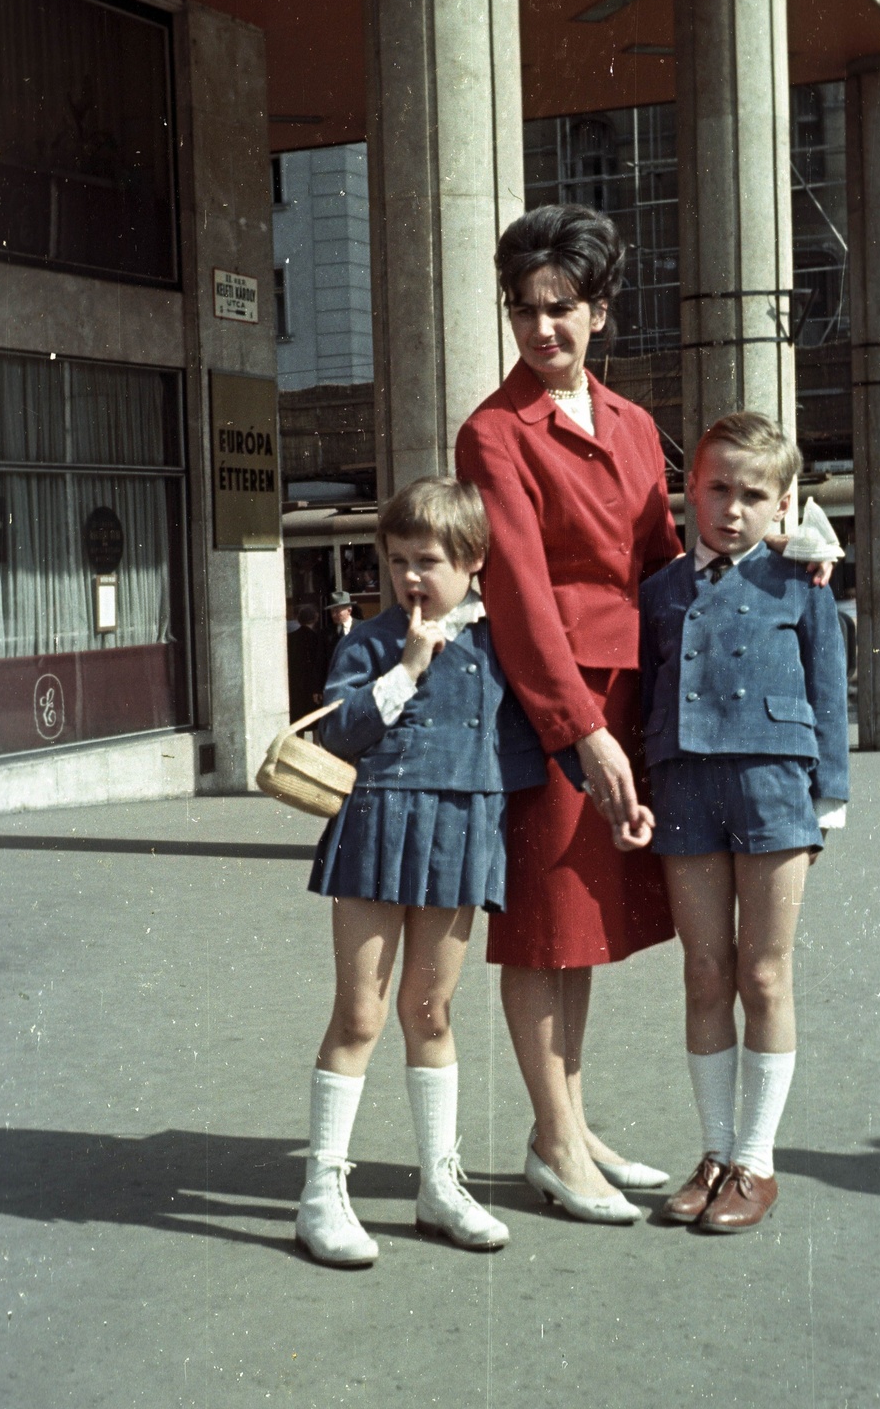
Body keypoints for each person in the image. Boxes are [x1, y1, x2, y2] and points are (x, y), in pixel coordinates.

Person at [455, 204, 684, 1225]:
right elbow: (517, 589)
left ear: (598, 311)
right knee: (543, 923)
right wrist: (577, 728)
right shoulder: (492, 432)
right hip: (547, 706)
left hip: (624, 695)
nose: (539, 330)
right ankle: (551, 1140)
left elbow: (661, 562)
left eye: (559, 309)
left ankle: (572, 1117)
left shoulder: (635, 426)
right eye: (521, 310)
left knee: (582, 925)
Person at [296, 476, 546, 1267]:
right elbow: (336, 735)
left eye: (428, 560)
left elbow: (533, 739)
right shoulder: (369, 642)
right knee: (361, 1016)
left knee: (431, 1011)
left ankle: (439, 1185)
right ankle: (320, 1193)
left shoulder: (495, 644)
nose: (410, 577)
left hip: (459, 834)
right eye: (397, 559)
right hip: (376, 832)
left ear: (473, 561)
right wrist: (404, 669)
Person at [641, 413, 849, 1231]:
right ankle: (716, 1150)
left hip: (773, 789)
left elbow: (828, 691)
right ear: (689, 490)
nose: (731, 509)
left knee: (764, 976)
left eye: (752, 495)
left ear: (783, 505)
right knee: (703, 972)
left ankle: (757, 1162)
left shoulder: (802, 583)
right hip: (685, 785)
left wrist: (827, 797)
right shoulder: (660, 590)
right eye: (717, 489)